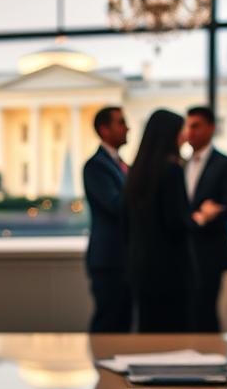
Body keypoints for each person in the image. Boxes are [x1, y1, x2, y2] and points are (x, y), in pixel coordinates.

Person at [126, 109, 194, 332]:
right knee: (173, 337)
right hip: (170, 269)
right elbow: (176, 222)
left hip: (143, 266)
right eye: (180, 131)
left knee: (149, 333)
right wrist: (197, 218)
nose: (184, 136)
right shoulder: (172, 170)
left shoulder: (137, 172)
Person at [183, 106, 227, 332]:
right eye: (188, 126)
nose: (190, 132)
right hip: (184, 251)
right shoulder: (181, 164)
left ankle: (212, 359)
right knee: (185, 313)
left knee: (205, 312)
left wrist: (210, 214)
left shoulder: (226, 164)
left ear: (211, 128)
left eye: (196, 126)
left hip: (210, 251)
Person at [83, 106, 132, 333]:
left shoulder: (120, 164)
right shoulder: (96, 166)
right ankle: (102, 368)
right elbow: (115, 205)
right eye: (121, 122)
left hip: (122, 258)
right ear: (104, 130)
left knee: (122, 323)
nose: (127, 127)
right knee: (108, 322)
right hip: (108, 259)